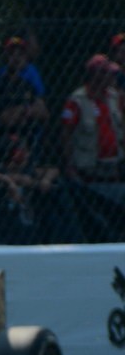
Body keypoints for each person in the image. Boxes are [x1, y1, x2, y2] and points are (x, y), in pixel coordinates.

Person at [60, 53, 125, 241]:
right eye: (107, 74)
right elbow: (66, 133)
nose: (112, 78)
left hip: (113, 168)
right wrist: (70, 165)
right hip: (89, 170)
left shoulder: (114, 97)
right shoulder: (77, 100)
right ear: (96, 75)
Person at [0, 35, 48, 164]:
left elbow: (44, 113)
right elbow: (6, 119)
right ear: (6, 57)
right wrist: (27, 110)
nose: (17, 57)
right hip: (5, 141)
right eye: (12, 54)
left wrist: (20, 112)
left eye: (21, 53)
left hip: (28, 138)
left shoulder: (26, 84)